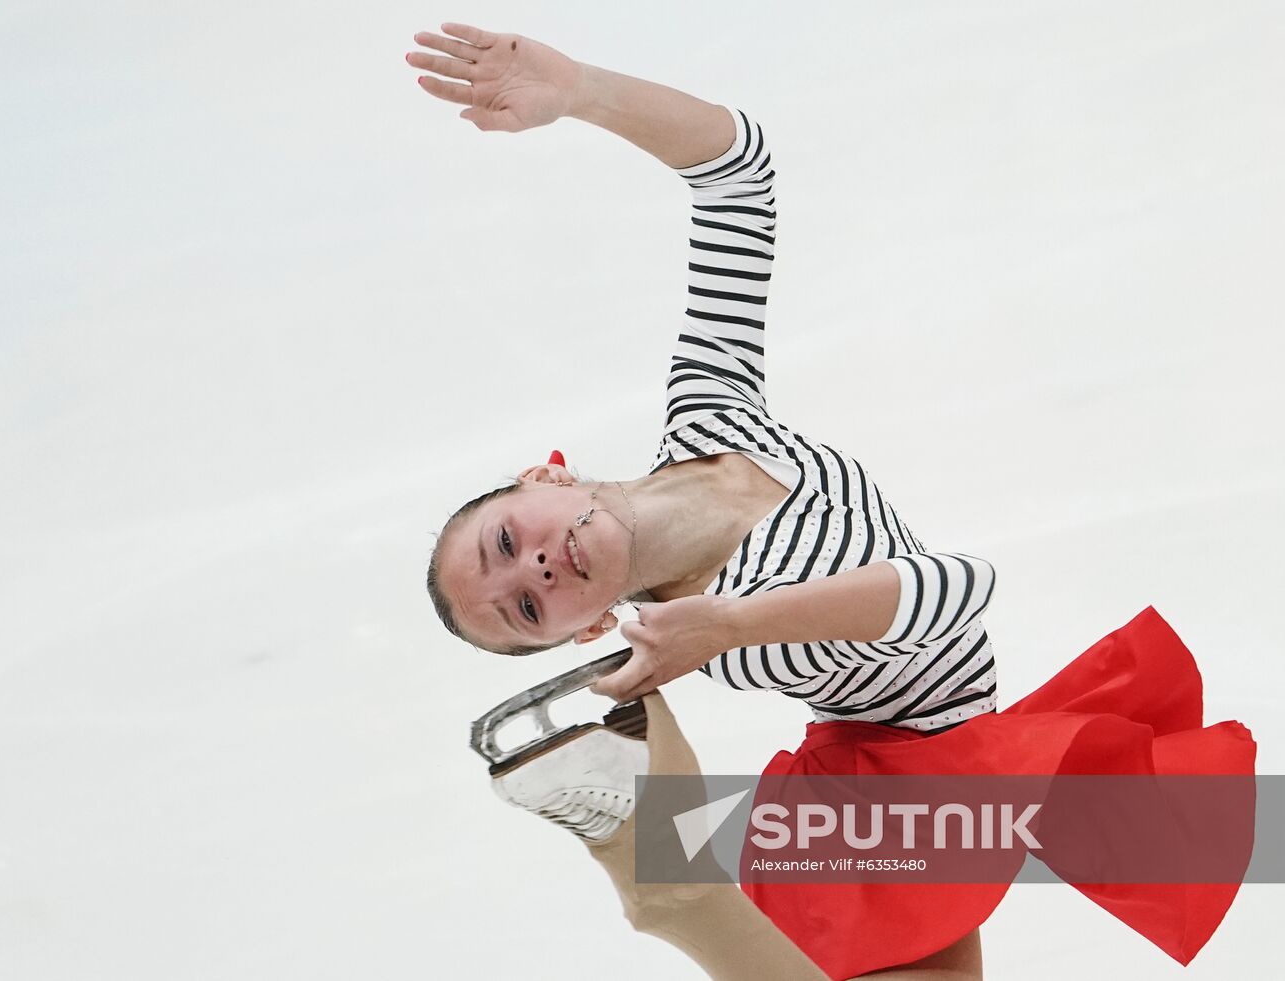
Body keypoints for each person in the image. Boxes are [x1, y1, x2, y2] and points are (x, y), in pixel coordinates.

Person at [409, 22, 1257, 981]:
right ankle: (665, 871)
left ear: (544, 479)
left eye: (508, 542)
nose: (537, 566)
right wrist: (725, 625)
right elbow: (951, 587)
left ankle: (666, 866)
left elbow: (738, 177)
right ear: (588, 625)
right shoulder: (740, 629)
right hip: (901, 771)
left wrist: (584, 91)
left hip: (893, 771)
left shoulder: (709, 412)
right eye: (528, 604)